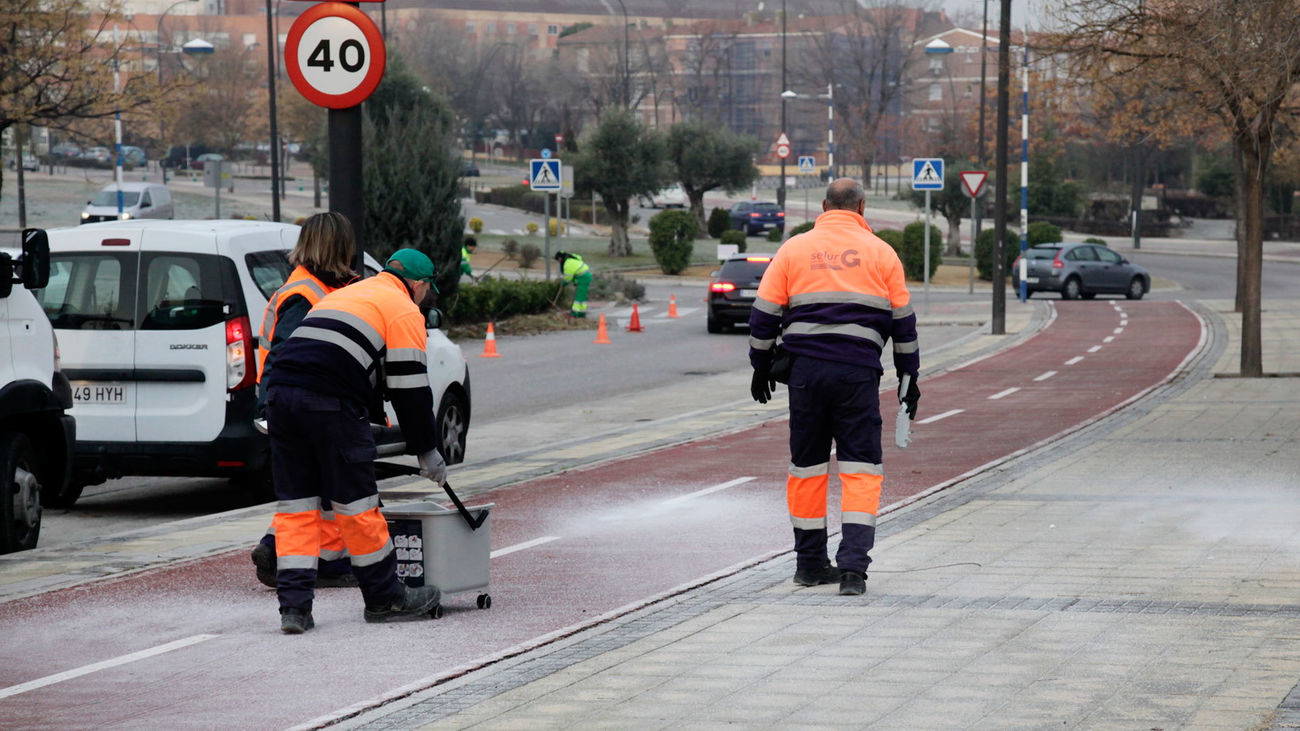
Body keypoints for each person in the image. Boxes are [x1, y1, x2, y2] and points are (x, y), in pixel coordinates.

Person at [747, 178, 921, 597]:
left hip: (805, 374)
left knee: (807, 468)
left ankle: (809, 566)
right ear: (862, 206)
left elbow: (764, 313)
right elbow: (904, 324)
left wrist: (760, 365)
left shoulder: (794, 248)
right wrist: (909, 380)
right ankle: (853, 571)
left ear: (825, 205)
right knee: (861, 469)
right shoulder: (882, 253)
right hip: (857, 375)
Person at [262, 247, 447, 633]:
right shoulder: (402, 308)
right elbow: (410, 389)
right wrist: (427, 450)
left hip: (281, 395)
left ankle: (294, 609)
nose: (426, 297)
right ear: (417, 284)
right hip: (328, 402)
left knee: (296, 508)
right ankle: (385, 599)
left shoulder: (348, 293)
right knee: (357, 503)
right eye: (428, 289)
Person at [250, 212, 359, 590]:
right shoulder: (304, 294)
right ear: (338, 246)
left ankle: (277, 546)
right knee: (326, 488)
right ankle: (319, 560)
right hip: (300, 402)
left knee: (308, 487)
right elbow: (285, 352)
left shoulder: (314, 286)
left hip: (287, 401)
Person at [554, 250, 592, 317]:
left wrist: (564, 283)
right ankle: (582, 313)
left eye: (558, 260)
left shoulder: (567, 264)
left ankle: (575, 312)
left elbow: (568, 277)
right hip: (584, 277)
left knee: (579, 296)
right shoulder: (571, 259)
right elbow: (575, 273)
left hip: (583, 278)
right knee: (582, 296)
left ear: (560, 258)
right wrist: (575, 281)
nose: (558, 262)